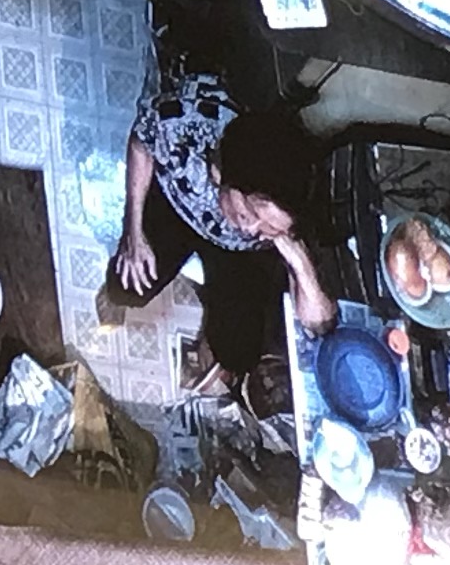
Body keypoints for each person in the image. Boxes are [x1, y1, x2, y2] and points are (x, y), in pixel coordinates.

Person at [108, 60, 335, 389]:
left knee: (239, 355)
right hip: (178, 206)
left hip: (231, 250)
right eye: (250, 213)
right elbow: (141, 143)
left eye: (267, 227)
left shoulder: (279, 218)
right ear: (224, 176)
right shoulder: (185, 123)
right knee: (126, 289)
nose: (251, 230)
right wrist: (134, 231)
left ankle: (211, 304)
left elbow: (318, 326)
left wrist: (300, 263)